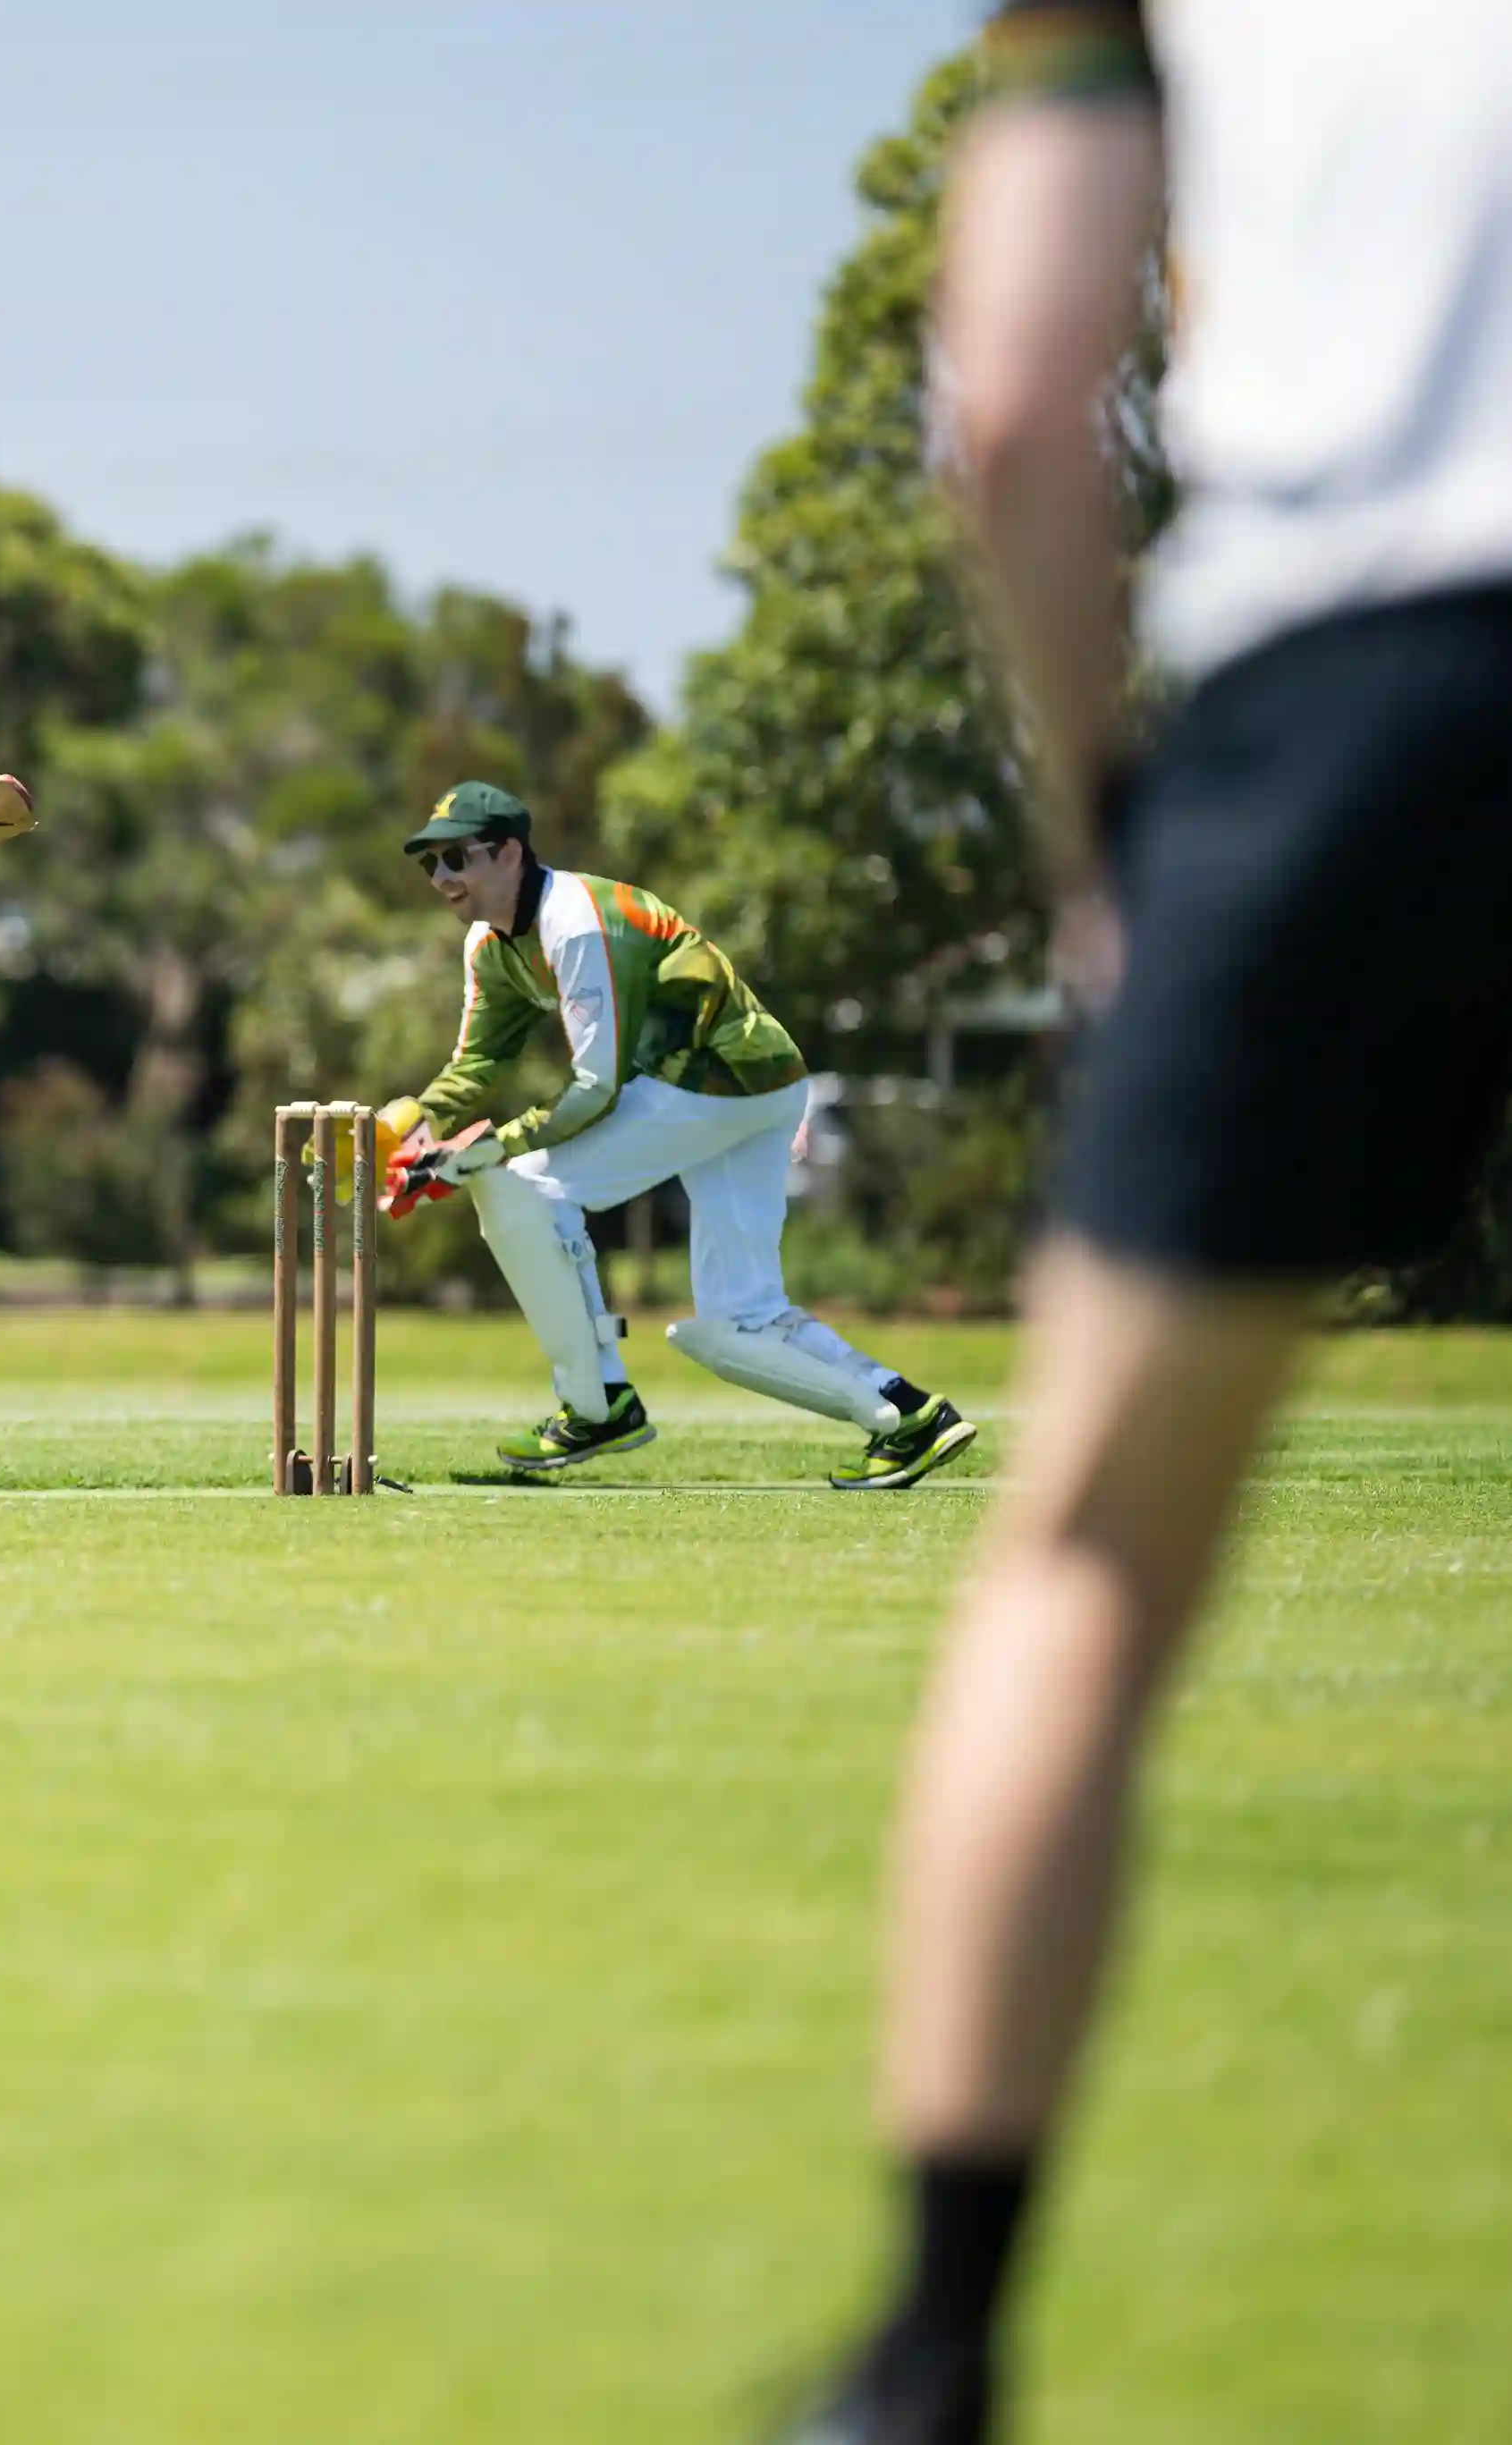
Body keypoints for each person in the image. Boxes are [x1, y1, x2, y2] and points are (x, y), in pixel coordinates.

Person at [775, 7, 1512, 2440]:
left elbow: (1006, 398)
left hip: (1349, 674)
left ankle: (927, 2352)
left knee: (1080, 1560)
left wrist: (1103, 829)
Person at [377, 782, 976, 1489]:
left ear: (508, 852)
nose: (441, 879)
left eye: (455, 858)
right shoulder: (489, 944)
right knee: (737, 1321)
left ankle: (596, 1406)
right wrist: (415, 1121)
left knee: (523, 1190)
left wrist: (491, 1148)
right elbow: (479, 1059)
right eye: (429, 865)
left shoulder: (577, 924)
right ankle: (908, 1418)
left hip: (711, 1081)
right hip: (765, 1086)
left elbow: (595, 1088)